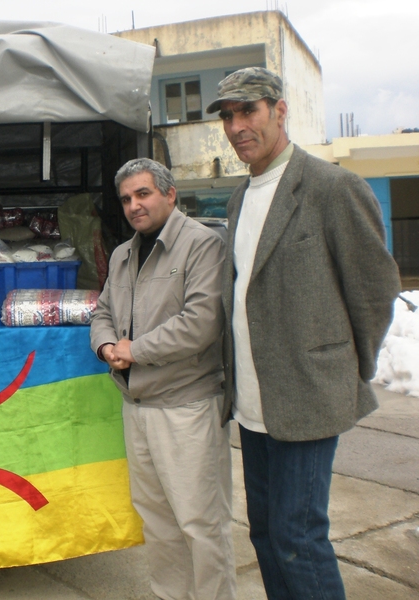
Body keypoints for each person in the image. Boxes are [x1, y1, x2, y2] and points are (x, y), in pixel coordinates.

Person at [206, 67, 401, 599]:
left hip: (307, 397)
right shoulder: (239, 199)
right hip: (252, 402)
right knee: (266, 533)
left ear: (279, 110)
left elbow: (373, 291)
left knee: (299, 537)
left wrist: (342, 369)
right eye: (228, 116)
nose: (237, 126)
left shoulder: (332, 187)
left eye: (248, 111)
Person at [90, 158, 236, 600]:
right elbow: (102, 312)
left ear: (170, 194)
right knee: (156, 520)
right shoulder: (122, 254)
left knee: (200, 521)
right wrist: (106, 346)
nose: (134, 205)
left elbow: (201, 323)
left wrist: (135, 350)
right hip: (137, 406)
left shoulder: (202, 245)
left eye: (143, 194)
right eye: (126, 199)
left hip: (186, 406)